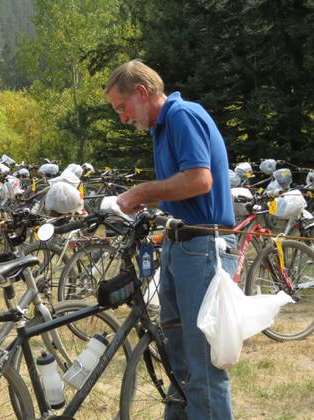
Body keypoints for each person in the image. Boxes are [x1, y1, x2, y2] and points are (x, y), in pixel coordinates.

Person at [105, 59, 237, 419]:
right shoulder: (160, 128)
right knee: (179, 364)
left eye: (122, 107)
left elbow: (200, 180)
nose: (122, 118)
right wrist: (148, 204)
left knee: (204, 368)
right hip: (182, 247)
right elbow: (183, 191)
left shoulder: (181, 115)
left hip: (203, 248)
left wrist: (143, 191)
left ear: (142, 93)